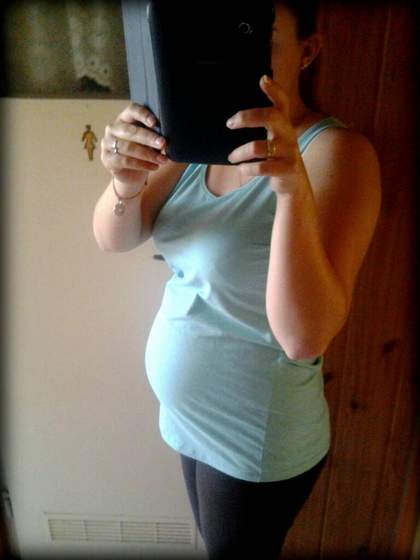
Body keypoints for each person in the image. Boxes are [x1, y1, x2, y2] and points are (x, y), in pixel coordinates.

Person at [93, 1, 381, 557]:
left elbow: (303, 338)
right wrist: (124, 182)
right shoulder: (193, 139)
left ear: (308, 51)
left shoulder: (338, 153)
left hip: (254, 436)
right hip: (188, 420)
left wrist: (290, 189)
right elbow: (114, 238)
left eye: (257, 35)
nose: (238, 53)